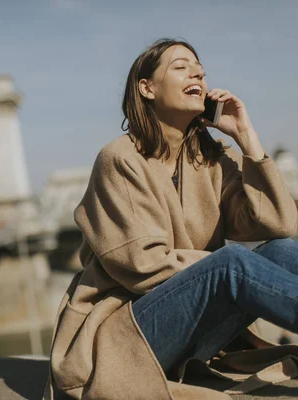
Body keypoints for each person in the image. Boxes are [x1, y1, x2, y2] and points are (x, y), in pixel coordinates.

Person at [44, 38, 298, 400]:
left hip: (190, 332)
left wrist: (246, 137)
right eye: (180, 66)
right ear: (146, 88)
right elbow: (143, 265)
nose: (197, 72)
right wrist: (220, 267)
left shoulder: (209, 160)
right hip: (124, 339)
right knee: (233, 263)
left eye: (200, 69)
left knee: (279, 250)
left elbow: (280, 224)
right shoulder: (119, 159)